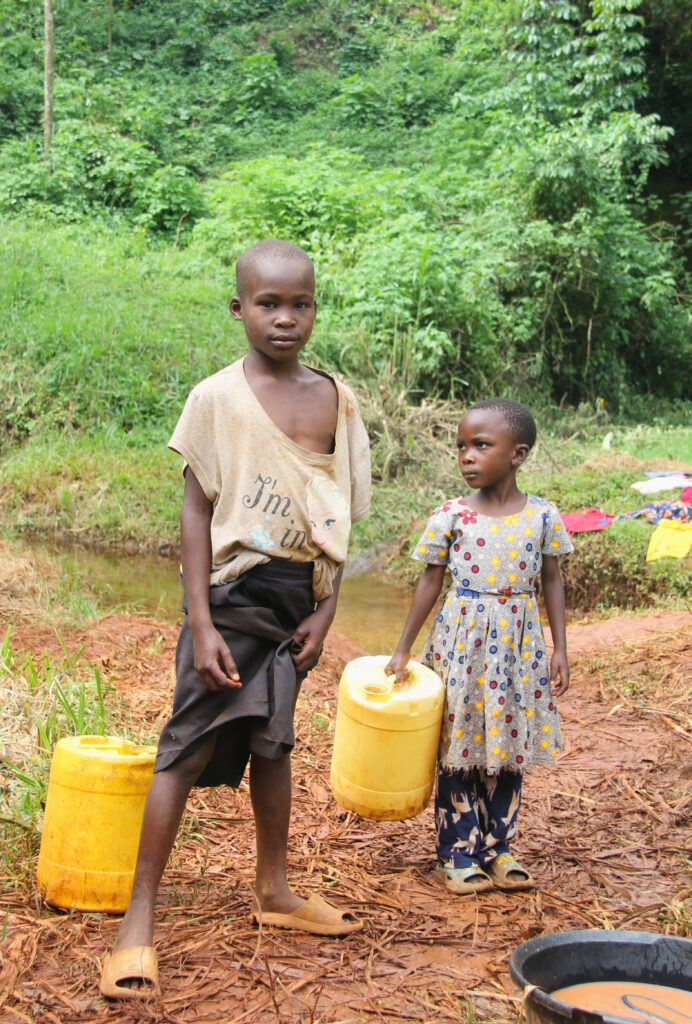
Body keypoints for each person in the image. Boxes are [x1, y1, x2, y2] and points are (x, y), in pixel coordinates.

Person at [99, 240, 371, 1000]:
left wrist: (328, 606)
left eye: (301, 303)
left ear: (316, 306)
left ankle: (274, 891)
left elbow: (333, 513)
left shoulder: (335, 399)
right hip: (229, 596)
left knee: (273, 744)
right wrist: (200, 618)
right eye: (268, 304)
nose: (285, 319)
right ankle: (138, 921)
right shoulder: (216, 398)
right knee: (183, 749)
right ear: (239, 308)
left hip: (294, 603)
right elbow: (195, 510)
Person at [385, 399, 573, 895]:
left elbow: (551, 580)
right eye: (461, 447)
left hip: (518, 648)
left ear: (518, 453)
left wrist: (560, 647)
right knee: (458, 745)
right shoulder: (451, 515)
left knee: (507, 746)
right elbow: (430, 583)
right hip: (461, 646)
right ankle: (457, 853)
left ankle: (499, 848)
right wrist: (403, 649)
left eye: (481, 445)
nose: (466, 456)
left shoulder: (542, 516)